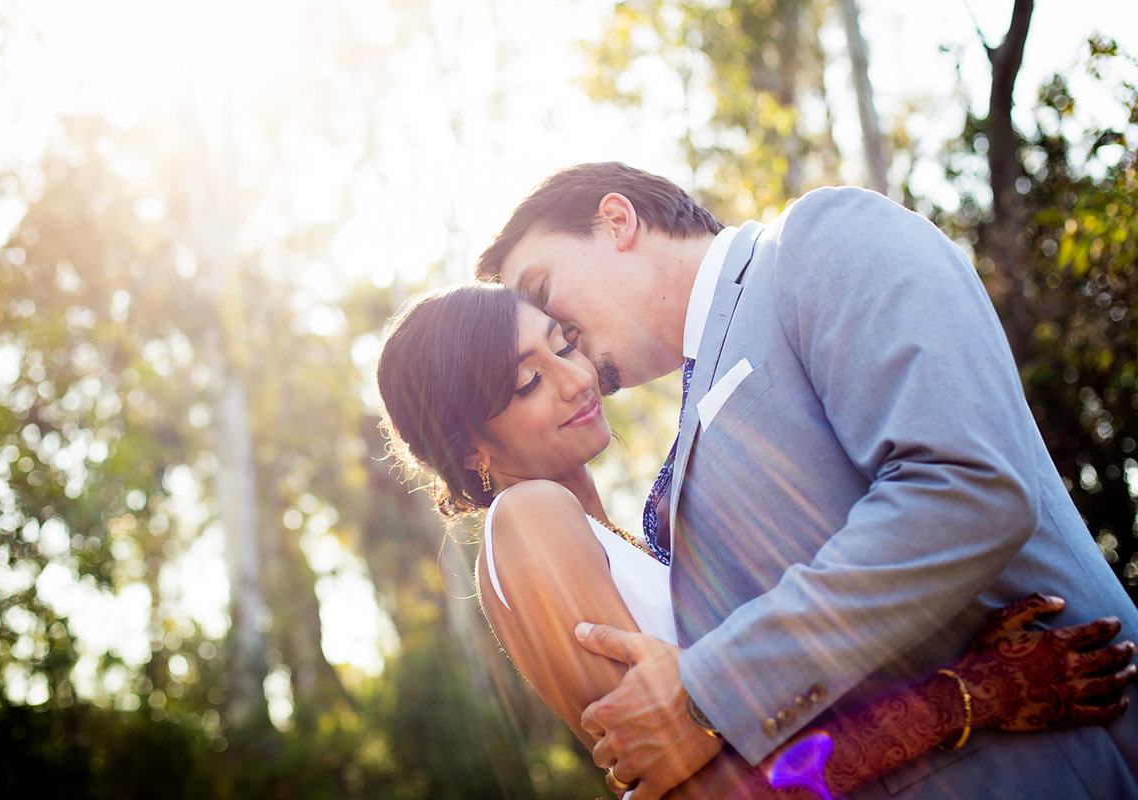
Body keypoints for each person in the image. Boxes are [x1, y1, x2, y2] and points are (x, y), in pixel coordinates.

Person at [474, 162, 1138, 799]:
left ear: (616, 222)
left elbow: (967, 486)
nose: (552, 332)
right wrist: (956, 698)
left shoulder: (815, 241)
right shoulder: (680, 446)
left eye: (538, 292)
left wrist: (711, 688)